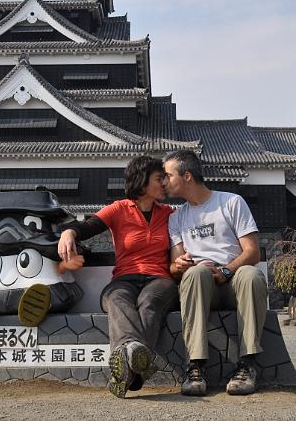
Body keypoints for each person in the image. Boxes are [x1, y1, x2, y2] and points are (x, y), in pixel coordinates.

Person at [58, 156, 178, 398]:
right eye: (159, 178)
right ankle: (134, 368)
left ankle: (125, 368)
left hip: (160, 279)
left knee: (150, 303)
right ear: (143, 183)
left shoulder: (170, 213)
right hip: (124, 278)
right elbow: (88, 227)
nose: (164, 182)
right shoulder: (119, 209)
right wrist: (68, 232)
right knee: (116, 299)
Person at [163, 150, 267, 396]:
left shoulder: (231, 202)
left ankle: (247, 364)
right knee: (196, 273)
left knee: (250, 275)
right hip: (201, 286)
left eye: (168, 175)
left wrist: (227, 270)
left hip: (233, 283)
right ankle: (196, 366)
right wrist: (180, 265)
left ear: (186, 176)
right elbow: (174, 266)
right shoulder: (176, 218)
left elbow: (252, 252)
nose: (164, 182)